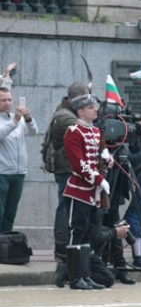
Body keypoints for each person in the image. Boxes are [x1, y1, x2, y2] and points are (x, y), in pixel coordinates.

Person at [62, 94, 109, 289]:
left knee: (88, 233)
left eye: (95, 107)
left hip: (93, 192)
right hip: (79, 190)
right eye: (90, 107)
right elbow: (79, 164)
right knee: (77, 231)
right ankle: (74, 277)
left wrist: (106, 158)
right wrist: (99, 179)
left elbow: (96, 157)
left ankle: (85, 274)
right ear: (80, 111)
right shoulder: (73, 131)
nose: (95, 110)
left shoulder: (96, 132)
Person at [46, 82, 89, 286]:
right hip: (66, 170)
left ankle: (65, 251)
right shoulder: (65, 116)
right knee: (65, 208)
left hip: (69, 168)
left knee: (67, 207)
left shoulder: (68, 112)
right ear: (78, 99)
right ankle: (62, 250)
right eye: (87, 100)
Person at [0, 86, 38, 233]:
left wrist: (28, 119)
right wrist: (15, 120)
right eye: (3, 100)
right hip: (2, 172)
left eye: (9, 100)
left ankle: (5, 245)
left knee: (10, 213)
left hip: (19, 172)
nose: (7, 103)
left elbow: (33, 132)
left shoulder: (18, 120)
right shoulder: (14, 120)